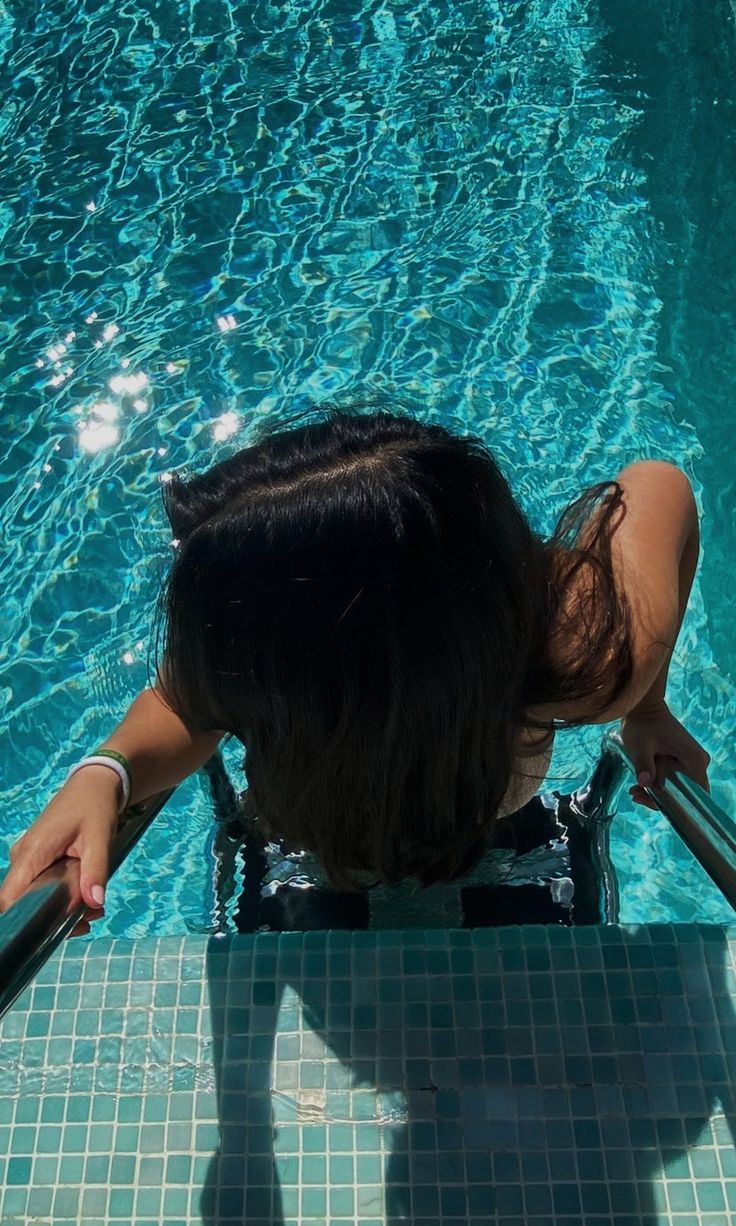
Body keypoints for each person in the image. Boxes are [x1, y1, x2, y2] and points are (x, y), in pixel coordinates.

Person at [0, 403, 711, 934]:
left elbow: (660, 487)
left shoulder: (574, 656)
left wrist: (646, 706)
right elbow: (186, 704)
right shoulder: (275, 656)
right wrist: (105, 773)